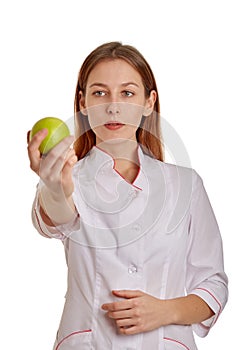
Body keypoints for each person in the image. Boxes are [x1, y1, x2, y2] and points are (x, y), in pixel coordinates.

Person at [27, 41, 228, 350]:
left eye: (128, 93)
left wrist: (165, 311)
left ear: (149, 102)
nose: (113, 106)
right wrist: (54, 188)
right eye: (99, 92)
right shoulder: (70, 178)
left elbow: (213, 284)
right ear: (82, 103)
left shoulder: (185, 184)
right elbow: (58, 218)